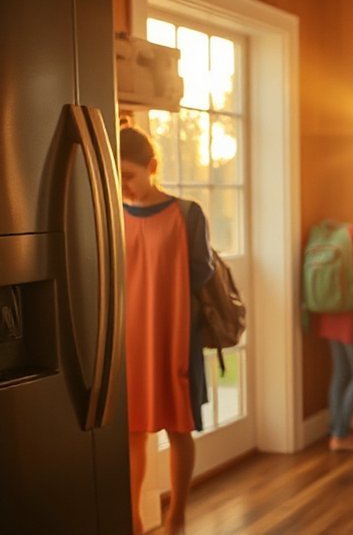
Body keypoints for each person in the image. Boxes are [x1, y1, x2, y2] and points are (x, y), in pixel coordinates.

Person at [119, 126, 214, 535]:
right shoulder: (112, 212)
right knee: (132, 429)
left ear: (152, 167)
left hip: (175, 336)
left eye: (129, 175)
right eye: (116, 176)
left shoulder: (187, 214)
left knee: (178, 427)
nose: (123, 185)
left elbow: (201, 274)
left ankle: (177, 516)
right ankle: (135, 518)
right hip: (128, 340)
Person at [311, 224, 353, 452]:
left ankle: (336, 427)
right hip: (349, 316)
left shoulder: (324, 236)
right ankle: (341, 434)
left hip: (328, 314)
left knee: (340, 372)